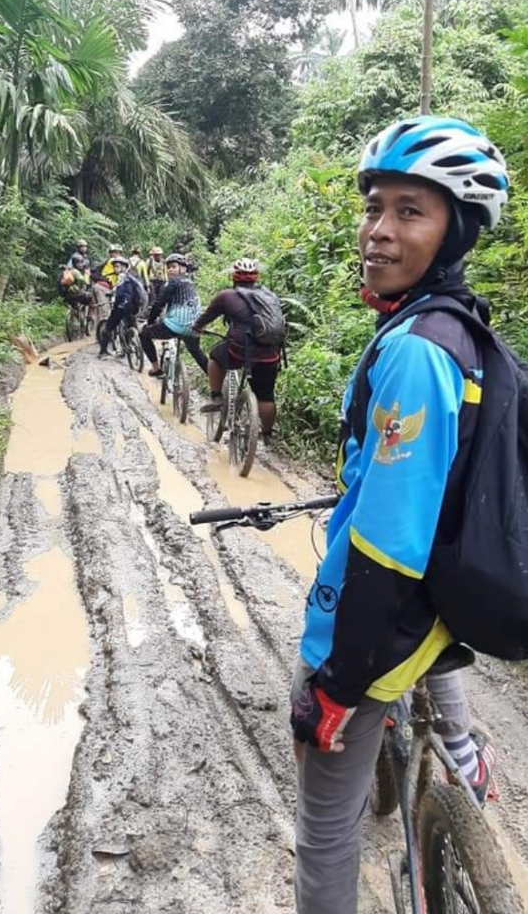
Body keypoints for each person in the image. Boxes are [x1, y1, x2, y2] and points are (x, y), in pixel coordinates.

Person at [290, 116, 507, 914]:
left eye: (409, 211)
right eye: (373, 206)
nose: (377, 231)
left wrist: (338, 685)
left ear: (455, 233)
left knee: (323, 831)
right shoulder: (460, 329)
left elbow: (385, 544)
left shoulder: (417, 349)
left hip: (384, 622)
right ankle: (458, 744)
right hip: (446, 602)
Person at [192, 258, 280, 444]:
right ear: (256, 278)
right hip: (270, 353)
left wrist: (197, 328)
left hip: (239, 351)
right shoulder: (270, 296)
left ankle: (216, 397)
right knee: (266, 396)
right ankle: (267, 435)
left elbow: (206, 317)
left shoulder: (226, 296)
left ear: (234, 277)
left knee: (215, 357)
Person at [140, 254, 209, 376]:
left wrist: (150, 322)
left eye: (173, 266)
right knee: (196, 351)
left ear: (183, 268)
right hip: (194, 328)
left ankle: (156, 369)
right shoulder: (191, 283)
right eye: (168, 267)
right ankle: (214, 379)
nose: (170, 269)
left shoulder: (173, 282)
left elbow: (158, 304)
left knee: (143, 334)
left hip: (176, 325)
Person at [98, 257, 147, 357]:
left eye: (117, 266)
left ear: (124, 267)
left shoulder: (122, 277)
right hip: (133, 307)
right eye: (114, 267)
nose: (115, 269)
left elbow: (120, 294)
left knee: (109, 327)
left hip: (122, 306)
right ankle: (130, 346)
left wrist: (116, 303)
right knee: (130, 326)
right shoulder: (132, 277)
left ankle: (103, 351)